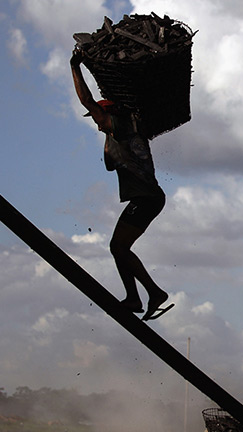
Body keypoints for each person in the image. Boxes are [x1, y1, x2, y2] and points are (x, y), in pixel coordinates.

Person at [70, 49, 173, 321]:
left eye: (97, 118)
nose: (95, 122)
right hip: (149, 198)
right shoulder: (123, 132)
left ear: (107, 115)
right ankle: (136, 297)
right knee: (119, 248)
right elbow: (110, 161)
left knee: (117, 247)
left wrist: (75, 67)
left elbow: (87, 100)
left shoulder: (119, 126)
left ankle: (152, 292)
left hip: (146, 198)